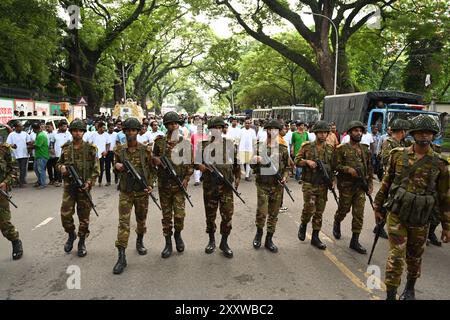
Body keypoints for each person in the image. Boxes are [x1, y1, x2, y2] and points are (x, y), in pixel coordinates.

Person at [373, 114, 450, 300]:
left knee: (415, 256)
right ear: (413, 134)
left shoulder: (440, 164)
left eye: (429, 133)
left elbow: (444, 197)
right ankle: (391, 293)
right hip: (398, 213)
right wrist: (378, 206)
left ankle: (410, 287)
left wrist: (447, 226)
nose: (424, 136)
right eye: (421, 132)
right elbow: (387, 182)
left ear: (433, 135)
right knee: (396, 255)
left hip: (420, 217)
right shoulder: (398, 155)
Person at [112, 118, 155, 274]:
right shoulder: (119, 150)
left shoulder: (146, 150)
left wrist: (151, 185)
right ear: (124, 132)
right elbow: (114, 167)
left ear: (138, 131)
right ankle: (121, 256)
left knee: (141, 221)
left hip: (141, 192)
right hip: (126, 192)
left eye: (133, 130)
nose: (131, 133)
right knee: (123, 222)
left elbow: (152, 170)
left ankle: (139, 240)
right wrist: (117, 166)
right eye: (128, 130)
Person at [196, 117, 240, 258]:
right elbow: (194, 162)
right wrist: (200, 166)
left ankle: (224, 242)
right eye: (215, 128)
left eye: (220, 128)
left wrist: (238, 176)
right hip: (210, 187)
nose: (218, 130)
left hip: (226, 187)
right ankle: (211, 240)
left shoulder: (229, 144)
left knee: (227, 216)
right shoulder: (203, 145)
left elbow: (236, 162)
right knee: (210, 216)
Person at [153, 111, 194, 259]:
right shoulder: (159, 142)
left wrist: (187, 178)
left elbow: (190, 163)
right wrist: (156, 160)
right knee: (166, 216)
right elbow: (153, 159)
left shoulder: (185, 143)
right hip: (164, 185)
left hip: (179, 185)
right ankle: (168, 243)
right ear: (166, 125)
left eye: (176, 123)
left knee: (179, 216)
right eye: (171, 123)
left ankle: (178, 234)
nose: (174, 125)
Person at [57, 120, 99, 258]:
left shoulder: (91, 149)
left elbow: (96, 169)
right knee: (65, 215)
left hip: (84, 189)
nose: (78, 133)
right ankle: (71, 234)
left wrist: (89, 182)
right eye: (75, 130)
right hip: (69, 188)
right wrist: (61, 168)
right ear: (71, 132)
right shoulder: (65, 148)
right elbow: (59, 163)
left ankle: (81, 242)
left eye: (80, 131)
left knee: (84, 218)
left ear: (84, 132)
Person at [333, 121, 373, 254]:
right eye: (355, 130)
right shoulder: (341, 149)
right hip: (346, 186)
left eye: (360, 131)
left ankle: (355, 240)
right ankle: (337, 221)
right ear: (350, 133)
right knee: (344, 209)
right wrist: (348, 169)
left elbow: (369, 168)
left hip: (361, 186)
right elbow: (335, 166)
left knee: (359, 213)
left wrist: (370, 184)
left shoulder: (365, 149)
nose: (358, 133)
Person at [250, 120, 289, 253]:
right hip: (262, 185)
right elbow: (251, 164)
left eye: (275, 130)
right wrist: (255, 160)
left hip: (277, 186)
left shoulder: (283, 148)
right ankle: (259, 233)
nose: (272, 132)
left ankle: (269, 239)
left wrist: (285, 177)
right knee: (262, 212)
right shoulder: (258, 146)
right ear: (266, 130)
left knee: (273, 214)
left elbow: (288, 167)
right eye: (270, 129)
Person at [295, 121, 335, 249]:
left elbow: (333, 167)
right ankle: (303, 224)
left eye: (325, 133)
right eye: (320, 132)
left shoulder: (330, 149)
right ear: (316, 133)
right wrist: (307, 162)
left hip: (323, 185)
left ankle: (315, 237)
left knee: (319, 211)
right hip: (310, 184)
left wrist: (333, 181)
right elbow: (296, 161)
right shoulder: (307, 146)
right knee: (309, 209)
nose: (323, 135)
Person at [0, 141, 23, 260]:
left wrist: (5, 183)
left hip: (0, 193)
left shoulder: (5, 149)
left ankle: (15, 241)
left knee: (4, 223)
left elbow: (14, 170)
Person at [6, 121, 31, 187]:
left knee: (23, 169)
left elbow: (29, 142)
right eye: (20, 126)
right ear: (16, 127)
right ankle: (15, 182)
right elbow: (7, 144)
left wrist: (30, 147)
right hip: (15, 155)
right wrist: (12, 145)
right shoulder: (11, 135)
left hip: (24, 155)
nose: (22, 127)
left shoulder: (25, 134)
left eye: (22, 126)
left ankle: (22, 182)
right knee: (15, 170)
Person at [88, 122, 109, 186]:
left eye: (104, 127)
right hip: (94, 155)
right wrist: (91, 151)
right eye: (103, 127)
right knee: (93, 168)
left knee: (102, 169)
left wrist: (106, 151)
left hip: (102, 155)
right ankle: (92, 180)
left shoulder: (106, 135)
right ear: (99, 128)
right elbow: (89, 143)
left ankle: (100, 182)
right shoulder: (94, 134)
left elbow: (108, 144)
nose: (104, 129)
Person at [29, 122, 49, 189]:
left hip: (42, 155)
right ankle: (40, 181)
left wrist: (28, 147)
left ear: (35, 129)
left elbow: (37, 145)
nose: (33, 130)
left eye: (33, 129)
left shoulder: (41, 135)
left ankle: (43, 184)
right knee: (36, 169)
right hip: (38, 155)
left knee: (41, 170)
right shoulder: (38, 134)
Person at [53, 120, 72, 187]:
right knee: (58, 168)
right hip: (57, 153)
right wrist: (52, 150)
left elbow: (71, 143)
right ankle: (59, 181)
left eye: (66, 126)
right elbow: (52, 143)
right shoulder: (54, 133)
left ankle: (66, 181)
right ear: (60, 127)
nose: (65, 128)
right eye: (64, 126)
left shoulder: (69, 134)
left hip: (66, 154)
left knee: (66, 168)